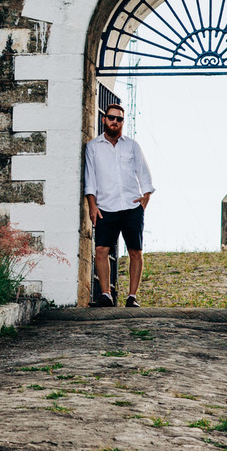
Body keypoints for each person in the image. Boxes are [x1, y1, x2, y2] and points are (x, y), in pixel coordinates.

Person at [83, 104, 154, 307]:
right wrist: (92, 205)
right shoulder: (93, 147)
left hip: (131, 206)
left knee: (135, 251)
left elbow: (144, 173)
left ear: (123, 122)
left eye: (119, 119)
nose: (115, 121)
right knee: (102, 250)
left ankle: (132, 297)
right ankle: (106, 294)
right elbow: (90, 179)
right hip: (105, 206)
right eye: (111, 118)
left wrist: (145, 198)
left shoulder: (132, 146)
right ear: (104, 119)